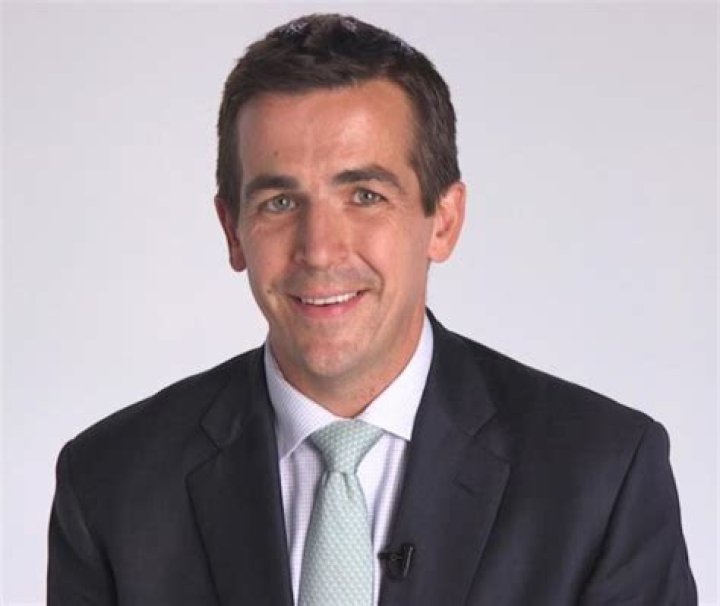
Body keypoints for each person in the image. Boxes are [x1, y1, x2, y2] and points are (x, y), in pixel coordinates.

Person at [47, 13, 696, 606]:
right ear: (232, 231)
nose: (319, 250)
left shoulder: (600, 476)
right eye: (279, 202)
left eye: (364, 195)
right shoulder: (111, 485)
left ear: (444, 220)